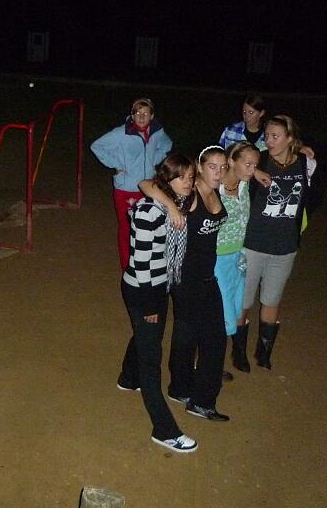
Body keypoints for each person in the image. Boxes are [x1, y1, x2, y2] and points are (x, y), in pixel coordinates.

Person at [117, 154, 198, 453]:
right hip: (144, 290)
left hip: (159, 285)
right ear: (166, 180)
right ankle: (164, 430)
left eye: (190, 177)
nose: (187, 182)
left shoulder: (179, 203)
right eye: (181, 177)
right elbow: (140, 263)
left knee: (146, 337)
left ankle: (128, 378)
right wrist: (151, 306)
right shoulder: (148, 212)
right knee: (152, 359)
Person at [142, 146, 230, 421]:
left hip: (203, 276)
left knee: (186, 333)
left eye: (223, 167)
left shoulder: (216, 190)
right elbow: (146, 184)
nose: (218, 172)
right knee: (214, 339)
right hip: (189, 278)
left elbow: (246, 165)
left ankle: (179, 388)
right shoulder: (190, 193)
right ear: (200, 167)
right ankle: (202, 401)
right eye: (212, 166)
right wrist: (171, 207)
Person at [243, 115, 324, 370]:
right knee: (243, 302)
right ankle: (238, 352)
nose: (269, 140)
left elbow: (316, 194)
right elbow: (231, 162)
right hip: (253, 243)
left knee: (272, 300)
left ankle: (264, 352)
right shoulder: (259, 159)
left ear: (289, 138)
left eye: (275, 136)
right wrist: (253, 170)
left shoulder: (306, 163)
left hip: (285, 245)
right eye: (267, 136)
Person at [91, 98, 173, 270]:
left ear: (152, 116)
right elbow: (97, 146)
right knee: (127, 228)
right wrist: (117, 164)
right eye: (137, 113)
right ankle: (127, 267)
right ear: (132, 114)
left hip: (149, 188)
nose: (141, 117)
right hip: (126, 189)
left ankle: (144, 264)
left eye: (145, 113)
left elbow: (167, 144)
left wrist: (154, 160)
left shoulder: (157, 132)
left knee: (148, 227)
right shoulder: (121, 133)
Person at [214, 142, 261, 380]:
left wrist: (300, 149)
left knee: (235, 309)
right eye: (248, 164)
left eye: (255, 165)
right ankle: (209, 365)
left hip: (239, 257)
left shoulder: (244, 184)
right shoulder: (215, 187)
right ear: (231, 161)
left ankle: (217, 362)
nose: (252, 169)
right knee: (219, 314)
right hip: (217, 259)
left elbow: (270, 145)